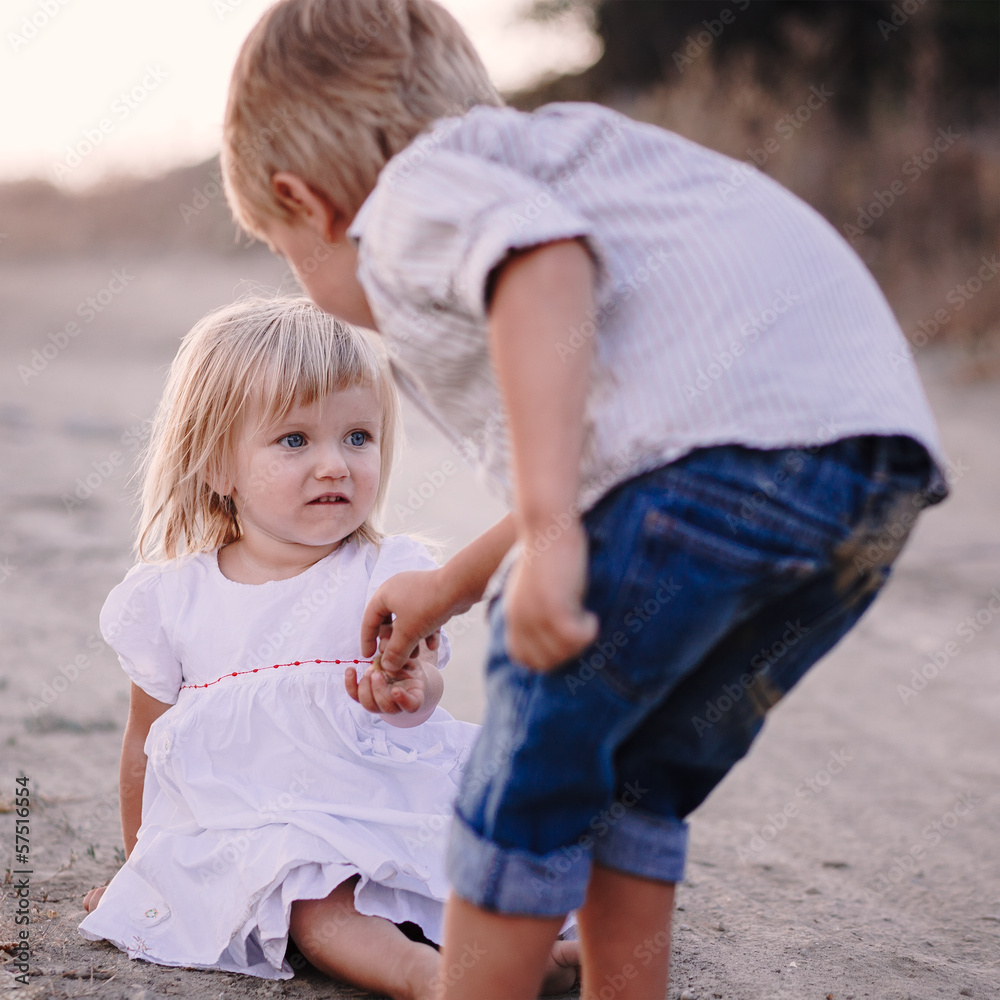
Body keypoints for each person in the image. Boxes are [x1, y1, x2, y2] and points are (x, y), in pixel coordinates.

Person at [220, 3, 950, 996]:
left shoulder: (410, 195)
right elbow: (630, 465)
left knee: (525, 785)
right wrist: (455, 582)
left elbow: (544, 267)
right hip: (865, 477)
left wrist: (554, 536)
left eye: (284, 252)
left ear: (305, 202)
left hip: (720, 466)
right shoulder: (551, 158)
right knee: (634, 785)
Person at [76, 297, 579, 998]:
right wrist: (148, 870)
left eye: (357, 437)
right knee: (313, 899)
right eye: (294, 441)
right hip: (263, 829)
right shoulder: (172, 597)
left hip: (386, 802)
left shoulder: (389, 574)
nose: (335, 465)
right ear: (216, 464)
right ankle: (428, 980)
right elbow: (146, 741)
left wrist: (410, 692)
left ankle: (541, 952)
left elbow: (421, 697)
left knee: (490, 861)